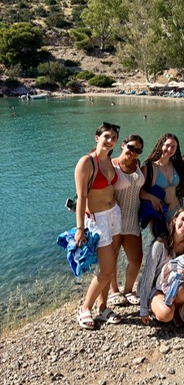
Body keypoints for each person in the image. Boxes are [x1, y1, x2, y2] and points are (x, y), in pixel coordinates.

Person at [74, 122, 123, 329]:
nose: (110, 141)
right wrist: (80, 228)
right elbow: (81, 197)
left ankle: (102, 308)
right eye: (106, 137)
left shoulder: (110, 160)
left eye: (114, 138)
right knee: (107, 270)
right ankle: (85, 308)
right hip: (97, 219)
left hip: (114, 214)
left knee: (111, 265)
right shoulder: (87, 162)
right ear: (97, 138)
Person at [139, 207, 184, 325]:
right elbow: (147, 277)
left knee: (183, 291)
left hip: (173, 285)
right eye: (182, 219)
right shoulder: (159, 244)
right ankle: (158, 307)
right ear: (175, 220)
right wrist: (143, 308)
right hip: (154, 288)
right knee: (166, 314)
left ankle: (175, 309)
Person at [109, 134, 145, 306]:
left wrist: (151, 198)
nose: (133, 152)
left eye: (138, 150)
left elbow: (141, 190)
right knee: (112, 258)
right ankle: (114, 291)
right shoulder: (111, 165)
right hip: (114, 220)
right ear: (123, 145)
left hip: (132, 219)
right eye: (131, 147)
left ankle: (128, 290)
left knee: (136, 259)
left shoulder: (139, 164)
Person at [141, 133, 184, 226]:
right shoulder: (149, 167)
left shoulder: (176, 165)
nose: (170, 149)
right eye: (167, 145)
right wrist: (151, 198)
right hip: (159, 214)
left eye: (173, 147)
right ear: (161, 145)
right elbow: (139, 191)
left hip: (178, 210)